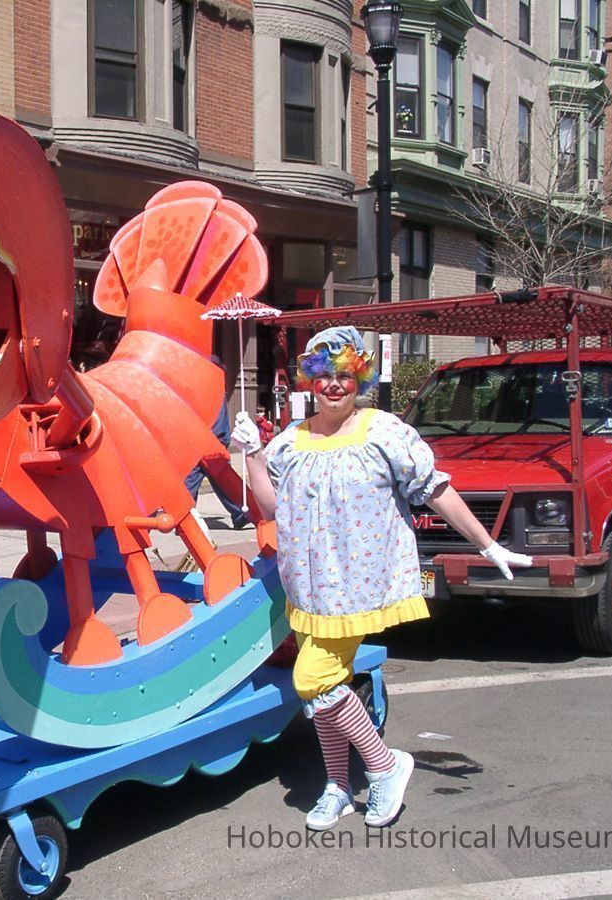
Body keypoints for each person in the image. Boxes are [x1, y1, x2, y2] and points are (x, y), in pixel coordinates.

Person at [231, 326, 532, 831]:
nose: (333, 385)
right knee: (329, 688)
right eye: (324, 375)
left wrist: (488, 543)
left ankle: (386, 765)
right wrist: (252, 456)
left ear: (360, 378)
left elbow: (434, 490)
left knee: (313, 679)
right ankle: (337, 783)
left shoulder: (383, 431)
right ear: (309, 381)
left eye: (344, 376)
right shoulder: (292, 439)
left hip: (356, 586)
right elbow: (272, 508)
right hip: (306, 587)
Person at [186, 398, 249, 529]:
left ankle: (185, 518)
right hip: (209, 437)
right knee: (217, 478)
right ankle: (239, 513)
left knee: (196, 477)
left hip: (207, 437)